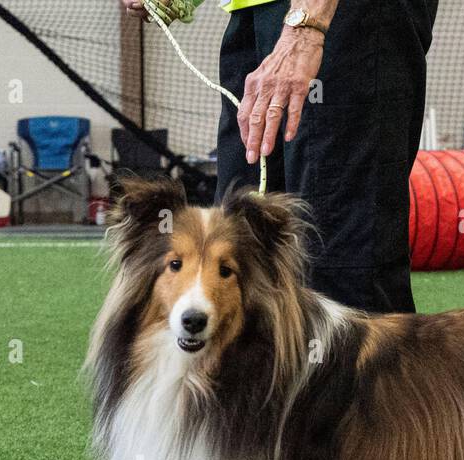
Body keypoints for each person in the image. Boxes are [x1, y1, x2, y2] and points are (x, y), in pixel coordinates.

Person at [121, 1, 438, 315]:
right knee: (238, 261)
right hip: (257, 11)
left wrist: (306, 26)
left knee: (341, 282)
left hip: (339, 17)